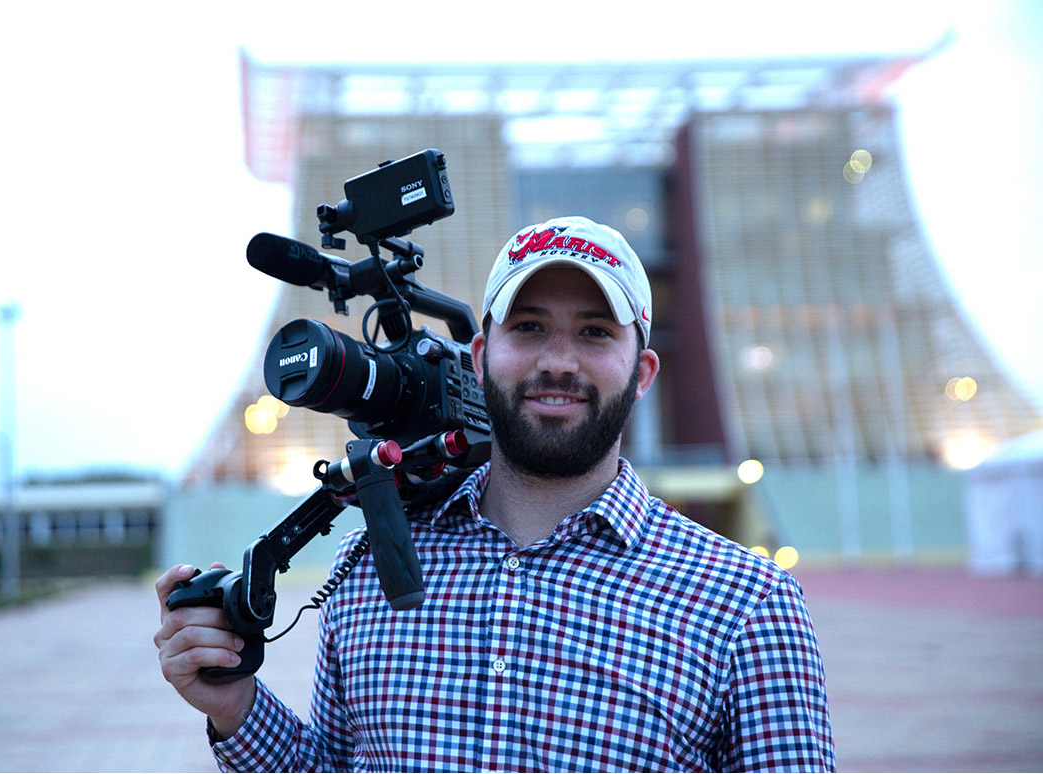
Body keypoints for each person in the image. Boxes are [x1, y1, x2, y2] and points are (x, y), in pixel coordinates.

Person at [155, 216, 836, 772]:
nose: (558, 362)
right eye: (529, 326)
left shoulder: (747, 605)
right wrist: (236, 705)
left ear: (643, 370)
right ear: (480, 357)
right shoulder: (370, 566)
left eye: (596, 332)